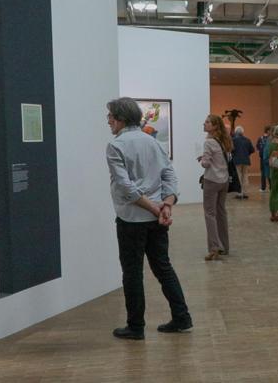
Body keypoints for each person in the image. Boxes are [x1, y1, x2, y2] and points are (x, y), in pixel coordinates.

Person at [105, 97, 192, 340]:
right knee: (163, 267)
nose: (109, 121)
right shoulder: (151, 142)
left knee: (132, 273)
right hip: (156, 221)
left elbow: (126, 188)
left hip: (132, 219)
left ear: (121, 118)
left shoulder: (116, 146)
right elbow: (169, 175)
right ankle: (182, 316)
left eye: (110, 116)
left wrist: (158, 208)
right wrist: (166, 205)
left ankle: (135, 326)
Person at [198, 114, 233, 261]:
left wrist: (202, 160)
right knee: (221, 213)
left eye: (207, 122)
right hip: (224, 181)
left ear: (214, 126)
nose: (204, 124)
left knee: (210, 214)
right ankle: (224, 246)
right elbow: (226, 158)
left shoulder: (209, 142)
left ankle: (214, 248)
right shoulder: (225, 141)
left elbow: (206, 164)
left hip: (212, 181)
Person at [231, 126, 255, 199]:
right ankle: (245, 193)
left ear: (236, 132)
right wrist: (246, 154)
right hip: (246, 160)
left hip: (237, 160)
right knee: (245, 176)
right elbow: (252, 150)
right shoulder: (247, 140)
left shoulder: (233, 140)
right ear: (242, 132)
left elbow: (231, 150)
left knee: (238, 176)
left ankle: (239, 193)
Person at [256, 125, 271, 192]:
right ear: (268, 131)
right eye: (270, 130)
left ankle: (263, 188)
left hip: (262, 158)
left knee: (263, 172)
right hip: (269, 157)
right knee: (268, 172)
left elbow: (257, 147)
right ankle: (271, 187)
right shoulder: (270, 139)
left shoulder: (260, 138)